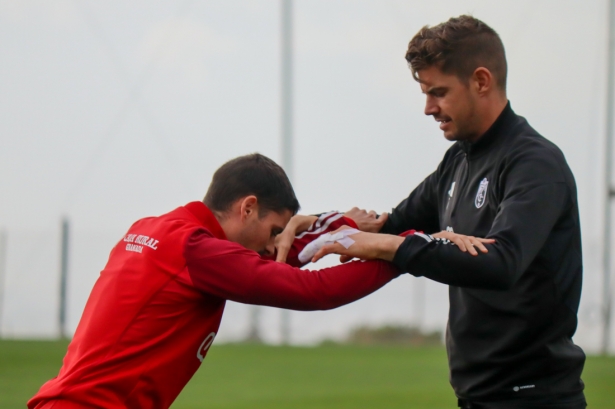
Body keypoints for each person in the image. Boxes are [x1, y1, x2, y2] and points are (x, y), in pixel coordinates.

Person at [298, 15, 586, 409]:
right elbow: (391, 226)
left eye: (438, 92)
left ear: (481, 81)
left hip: (535, 399)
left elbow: (500, 264)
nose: (428, 108)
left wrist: (394, 244)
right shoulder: (457, 162)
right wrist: (313, 225)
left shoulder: (535, 164)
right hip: (475, 398)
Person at [27, 153, 401, 409]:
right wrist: (407, 253)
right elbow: (311, 290)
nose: (274, 244)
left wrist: (341, 225)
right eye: (273, 230)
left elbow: (274, 258)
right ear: (247, 207)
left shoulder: (156, 229)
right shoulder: (196, 250)